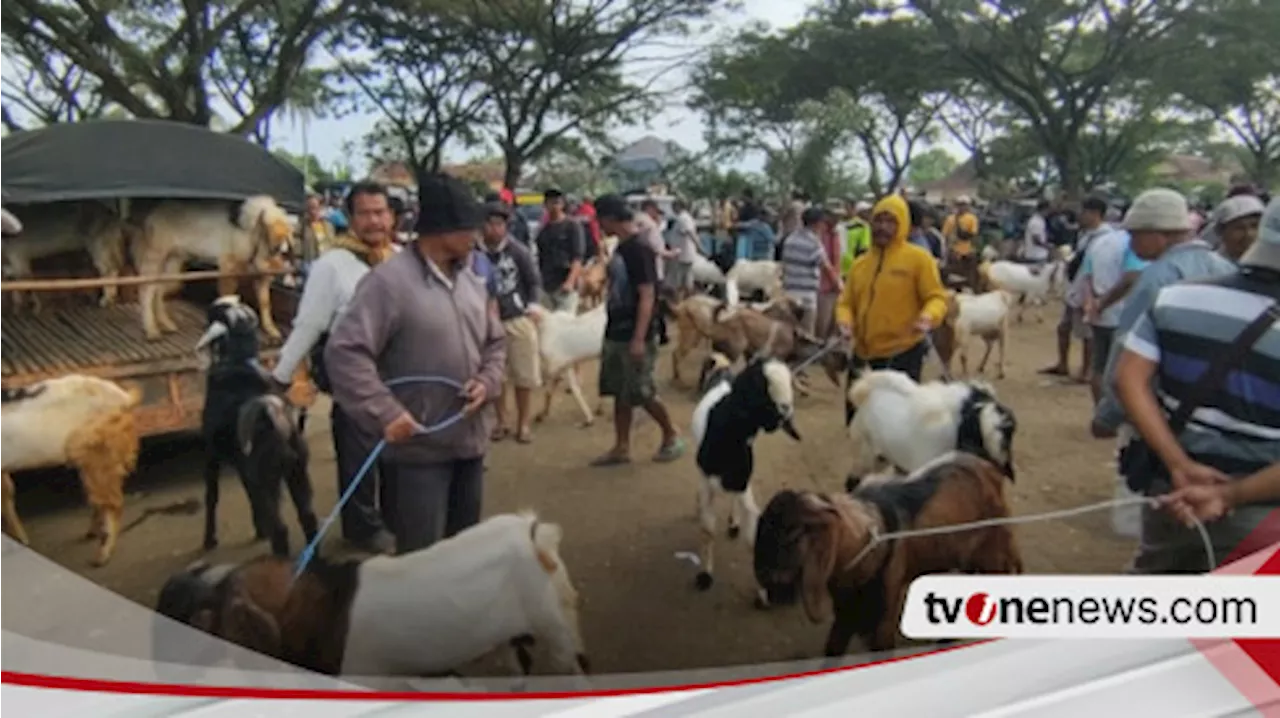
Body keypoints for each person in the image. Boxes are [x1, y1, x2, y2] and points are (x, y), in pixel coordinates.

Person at [325, 172, 506, 555]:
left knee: (465, 552)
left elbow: (495, 343)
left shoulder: (473, 281)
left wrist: (487, 383)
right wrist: (385, 412)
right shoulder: (388, 284)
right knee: (422, 561)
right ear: (441, 230)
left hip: (469, 445)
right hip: (417, 457)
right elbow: (345, 352)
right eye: (469, 228)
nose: (477, 237)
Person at [1113, 195, 1280, 574]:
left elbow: (1128, 379)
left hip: (1172, 494)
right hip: (1263, 516)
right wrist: (1228, 494)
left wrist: (1178, 463)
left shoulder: (1176, 299)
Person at [270, 182, 398, 554]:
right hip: (354, 377)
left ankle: (394, 519)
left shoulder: (402, 259)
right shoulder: (332, 266)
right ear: (350, 218)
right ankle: (362, 529)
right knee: (358, 456)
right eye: (365, 213)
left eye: (381, 212)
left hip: (398, 376)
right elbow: (309, 323)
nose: (374, 221)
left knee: (396, 454)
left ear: (391, 216)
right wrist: (281, 375)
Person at [1091, 188, 1236, 439]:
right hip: (1221, 413)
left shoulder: (1156, 279)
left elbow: (1127, 355)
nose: (1131, 241)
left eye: (1135, 234)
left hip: (1161, 414)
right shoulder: (1226, 269)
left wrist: (1108, 416)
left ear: (1159, 235)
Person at [835, 193, 949, 424]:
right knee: (858, 422)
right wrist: (844, 321)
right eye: (879, 220)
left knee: (897, 425)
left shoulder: (919, 259)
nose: (883, 227)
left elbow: (937, 298)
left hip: (902, 354)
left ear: (903, 224)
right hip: (863, 355)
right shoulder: (860, 264)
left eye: (891, 221)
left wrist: (928, 317)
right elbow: (846, 302)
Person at [589, 194, 685, 467]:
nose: (599, 225)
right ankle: (621, 446)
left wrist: (639, 338)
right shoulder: (622, 247)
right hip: (617, 329)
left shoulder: (638, 249)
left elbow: (647, 295)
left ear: (609, 219)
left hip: (634, 330)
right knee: (621, 390)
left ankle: (671, 433)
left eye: (600, 219)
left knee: (641, 390)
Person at [478, 201, 542, 445]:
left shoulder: (519, 251)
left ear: (506, 226)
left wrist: (533, 305)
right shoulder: (474, 253)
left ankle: (523, 422)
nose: (494, 229)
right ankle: (502, 420)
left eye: (499, 224)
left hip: (516, 317)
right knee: (496, 376)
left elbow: (533, 281)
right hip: (485, 321)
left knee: (524, 374)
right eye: (489, 223)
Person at [1079, 212, 1148, 404]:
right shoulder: (1132, 243)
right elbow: (1131, 278)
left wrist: (1092, 305)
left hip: (1099, 314)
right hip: (1123, 314)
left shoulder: (1098, 242)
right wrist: (1103, 303)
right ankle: (1115, 416)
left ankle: (1100, 413)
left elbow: (1086, 277)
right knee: (1122, 369)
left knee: (1099, 366)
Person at [1041, 195, 1109, 382]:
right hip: (1074, 288)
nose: (1080, 215)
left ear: (1095, 214)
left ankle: (1087, 370)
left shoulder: (1104, 238)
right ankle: (1063, 364)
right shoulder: (1085, 235)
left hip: (1088, 290)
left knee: (1087, 334)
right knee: (1064, 328)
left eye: (1084, 212)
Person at [781, 206, 842, 337]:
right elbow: (826, 268)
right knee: (806, 338)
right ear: (818, 223)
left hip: (788, 295)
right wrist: (840, 288)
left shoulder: (790, 239)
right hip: (806, 299)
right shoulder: (813, 242)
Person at [534, 188, 585, 311]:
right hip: (547, 284)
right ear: (545, 205)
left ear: (562, 204)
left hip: (565, 282)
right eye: (550, 202)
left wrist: (570, 281)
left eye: (557, 202)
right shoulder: (543, 230)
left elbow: (578, 257)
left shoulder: (572, 226)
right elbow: (540, 257)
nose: (553, 206)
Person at [1202, 194, 1265, 263]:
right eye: (1239, 228)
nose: (1249, 234)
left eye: (1254, 226)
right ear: (1221, 232)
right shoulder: (1210, 267)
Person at [668, 199, 700, 299]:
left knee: (680, 280)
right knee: (685, 279)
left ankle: (681, 299)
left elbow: (691, 233)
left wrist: (699, 246)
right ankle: (686, 298)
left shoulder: (683, 218)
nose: (672, 209)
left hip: (682, 253)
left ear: (678, 206)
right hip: (683, 253)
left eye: (673, 207)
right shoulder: (683, 218)